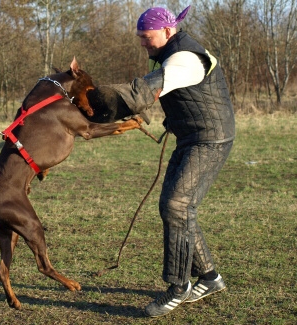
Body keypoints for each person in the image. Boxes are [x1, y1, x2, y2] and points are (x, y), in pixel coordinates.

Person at [86, 5, 236, 318]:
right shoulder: (171, 53)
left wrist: (89, 100)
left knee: (177, 206)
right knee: (175, 207)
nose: (142, 42)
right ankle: (209, 278)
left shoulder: (184, 58)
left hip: (209, 140)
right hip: (192, 136)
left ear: (167, 31)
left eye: (146, 36)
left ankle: (178, 287)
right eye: (140, 36)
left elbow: (141, 93)